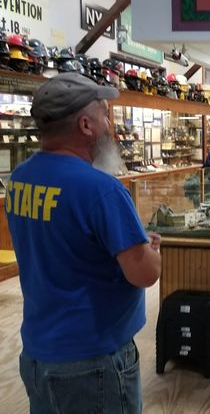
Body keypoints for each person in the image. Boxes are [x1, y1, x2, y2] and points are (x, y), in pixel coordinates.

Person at [5, 72, 162, 413]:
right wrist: (150, 249)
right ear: (86, 125)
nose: (110, 125)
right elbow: (145, 274)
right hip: (94, 359)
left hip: (39, 352)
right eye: (105, 114)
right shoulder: (101, 189)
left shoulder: (19, 178)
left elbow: (59, 243)